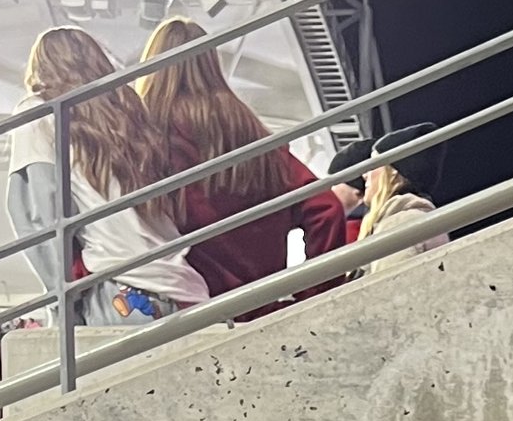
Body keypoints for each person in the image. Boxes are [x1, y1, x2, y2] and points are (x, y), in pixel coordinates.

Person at [135, 17, 360, 301]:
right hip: (259, 304)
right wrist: (314, 295)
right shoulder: (250, 130)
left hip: (188, 309)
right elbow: (325, 208)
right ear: (211, 63)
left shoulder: (144, 136)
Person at [7, 28, 210, 324]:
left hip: (121, 290)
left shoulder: (40, 112)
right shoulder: (128, 109)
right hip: (184, 288)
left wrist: (61, 303)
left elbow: (37, 219)